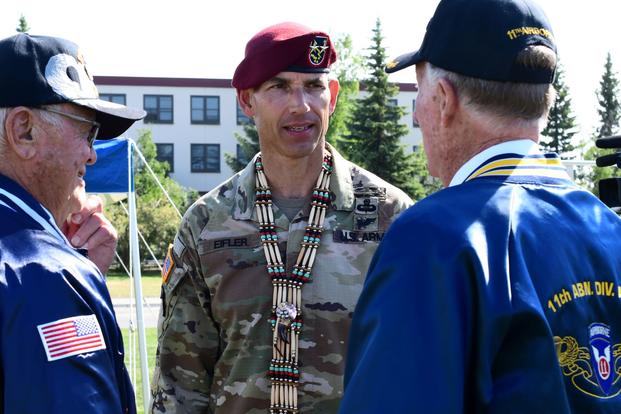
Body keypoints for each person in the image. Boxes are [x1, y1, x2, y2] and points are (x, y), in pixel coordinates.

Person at [340, 0, 621, 412]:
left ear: (443, 98)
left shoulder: (434, 240)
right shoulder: (607, 228)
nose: (417, 114)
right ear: (548, 100)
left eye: (419, 94)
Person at [150, 22, 413, 413]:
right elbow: (180, 381)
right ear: (246, 101)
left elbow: (412, 363)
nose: (300, 106)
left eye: (313, 86)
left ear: (333, 96)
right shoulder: (207, 225)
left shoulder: (388, 216)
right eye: (278, 87)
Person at [0, 33, 146, 413]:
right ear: (24, 131)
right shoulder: (45, 272)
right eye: (87, 131)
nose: (92, 155)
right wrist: (71, 277)